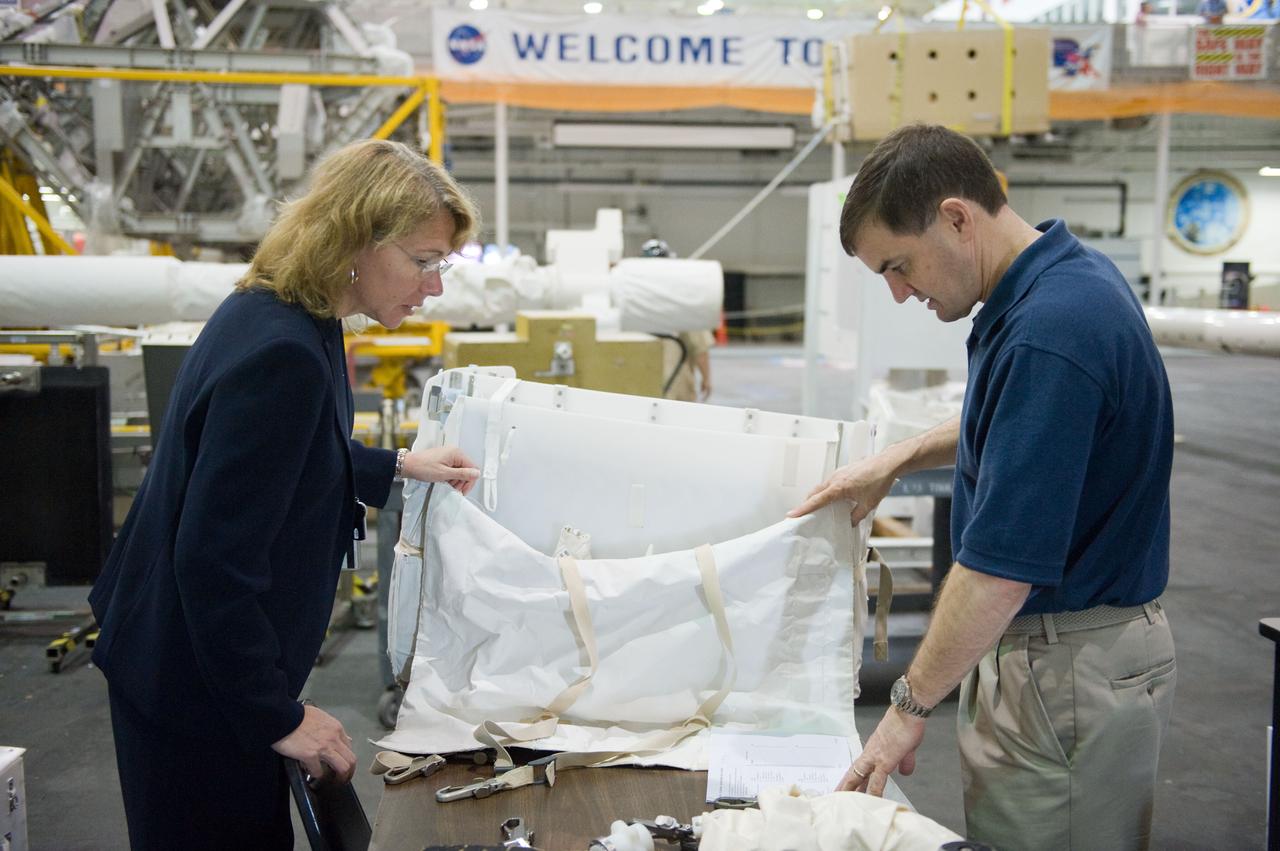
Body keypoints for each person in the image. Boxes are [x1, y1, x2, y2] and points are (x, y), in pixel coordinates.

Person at [88, 138, 482, 850]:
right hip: (194, 687)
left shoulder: (290, 313)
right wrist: (278, 714)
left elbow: (299, 454)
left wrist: (396, 464)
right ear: (355, 239)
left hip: (187, 657)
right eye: (423, 261)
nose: (434, 286)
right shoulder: (285, 354)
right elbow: (212, 564)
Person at [789, 124, 1175, 850]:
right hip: (1062, 658)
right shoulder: (1062, 282)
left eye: (898, 266)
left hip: (1064, 670)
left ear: (957, 218)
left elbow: (998, 571)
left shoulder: (1050, 331)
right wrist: (896, 457)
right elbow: (1008, 416)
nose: (900, 294)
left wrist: (906, 704)